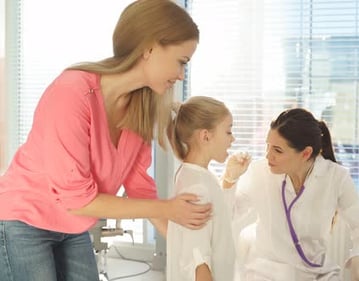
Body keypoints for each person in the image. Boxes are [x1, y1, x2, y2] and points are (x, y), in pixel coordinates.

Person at [0, 1, 211, 280]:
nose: (182, 74)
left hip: (72, 226)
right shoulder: (72, 92)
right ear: (149, 48)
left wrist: (195, 257)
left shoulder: (140, 111)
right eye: (181, 61)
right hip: (23, 220)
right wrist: (168, 208)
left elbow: (140, 190)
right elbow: (77, 199)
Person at [223, 108, 359, 281]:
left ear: (306, 153)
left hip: (316, 273)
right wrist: (229, 179)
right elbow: (226, 215)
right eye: (267, 146)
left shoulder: (335, 177)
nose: (268, 155)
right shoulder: (260, 171)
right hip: (265, 273)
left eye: (277, 150)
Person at [167, 96, 242, 281]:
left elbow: (216, 219)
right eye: (228, 131)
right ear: (206, 136)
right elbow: (198, 259)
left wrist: (229, 179)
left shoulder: (193, 175)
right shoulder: (197, 186)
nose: (232, 139)